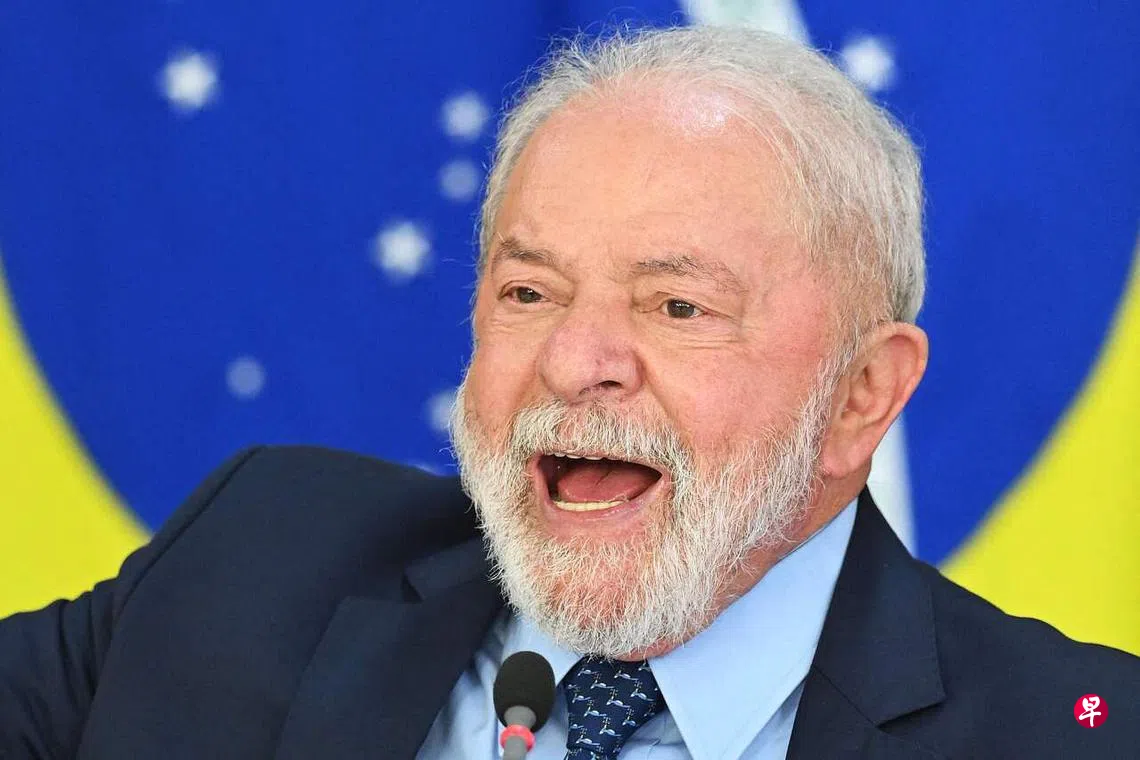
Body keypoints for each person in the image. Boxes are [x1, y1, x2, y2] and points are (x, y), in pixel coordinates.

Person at [1, 25, 1137, 760]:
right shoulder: (261, 552)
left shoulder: (1074, 732)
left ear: (862, 395)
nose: (573, 359)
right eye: (529, 292)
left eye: (676, 305)